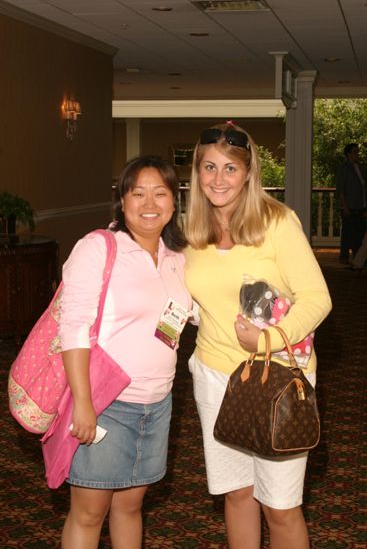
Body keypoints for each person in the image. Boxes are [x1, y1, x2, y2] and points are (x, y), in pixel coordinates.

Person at [184, 122, 332, 549]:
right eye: (208, 167)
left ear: (248, 173)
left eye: (230, 168)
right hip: (214, 376)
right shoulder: (192, 234)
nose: (218, 179)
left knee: (281, 507)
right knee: (238, 493)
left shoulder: (277, 221)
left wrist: (267, 341)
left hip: (278, 379)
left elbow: (317, 299)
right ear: (196, 173)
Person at [59, 155, 192, 548]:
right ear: (122, 200)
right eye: (138, 193)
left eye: (160, 193)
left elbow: (193, 314)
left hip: (157, 404)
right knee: (88, 514)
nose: (149, 204)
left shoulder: (177, 259)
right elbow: (74, 327)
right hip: (106, 405)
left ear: (173, 203)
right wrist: (83, 403)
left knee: (130, 507)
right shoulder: (99, 248)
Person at [336, 143, 367, 264]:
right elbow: (341, 189)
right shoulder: (343, 169)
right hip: (350, 205)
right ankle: (344, 257)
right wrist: (345, 206)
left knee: (359, 233)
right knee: (347, 233)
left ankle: (357, 257)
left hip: (361, 205)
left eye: (357, 151)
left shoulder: (361, 168)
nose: (357, 154)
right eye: (354, 151)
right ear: (348, 154)